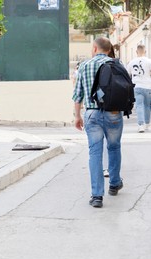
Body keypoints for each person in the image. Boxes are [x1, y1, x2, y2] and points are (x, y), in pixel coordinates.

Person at [72, 37, 124, 208]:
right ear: (109, 50)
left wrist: (77, 116)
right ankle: (115, 183)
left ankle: (96, 196)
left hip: (92, 113)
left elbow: (78, 94)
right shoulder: (117, 64)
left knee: (95, 152)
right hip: (114, 113)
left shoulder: (85, 66)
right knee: (114, 147)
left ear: (94, 48)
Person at [126, 44, 151, 133]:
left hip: (137, 86)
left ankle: (141, 125)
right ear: (145, 51)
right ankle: (147, 124)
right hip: (148, 86)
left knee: (139, 105)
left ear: (136, 52)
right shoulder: (149, 61)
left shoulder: (132, 62)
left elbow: (127, 74)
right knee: (147, 106)